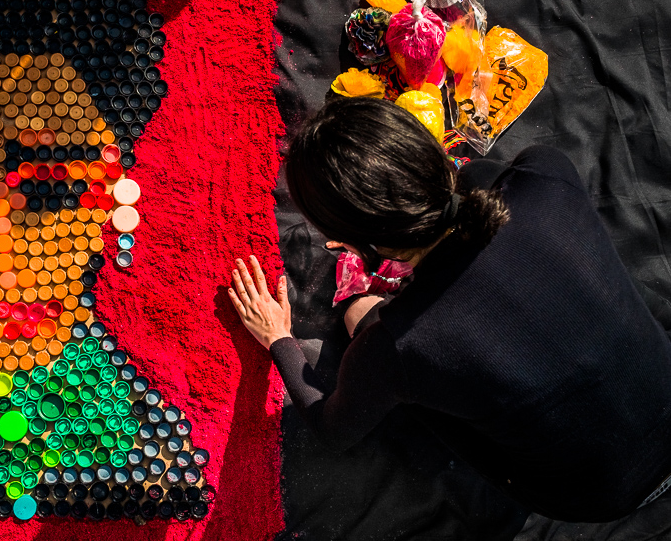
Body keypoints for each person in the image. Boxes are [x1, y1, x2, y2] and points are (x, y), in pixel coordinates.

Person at [227, 96, 671, 522]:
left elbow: (332, 426)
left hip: (599, 494)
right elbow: (480, 181)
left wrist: (278, 338)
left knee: (358, 315)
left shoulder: (396, 346)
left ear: (363, 245)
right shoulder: (544, 173)